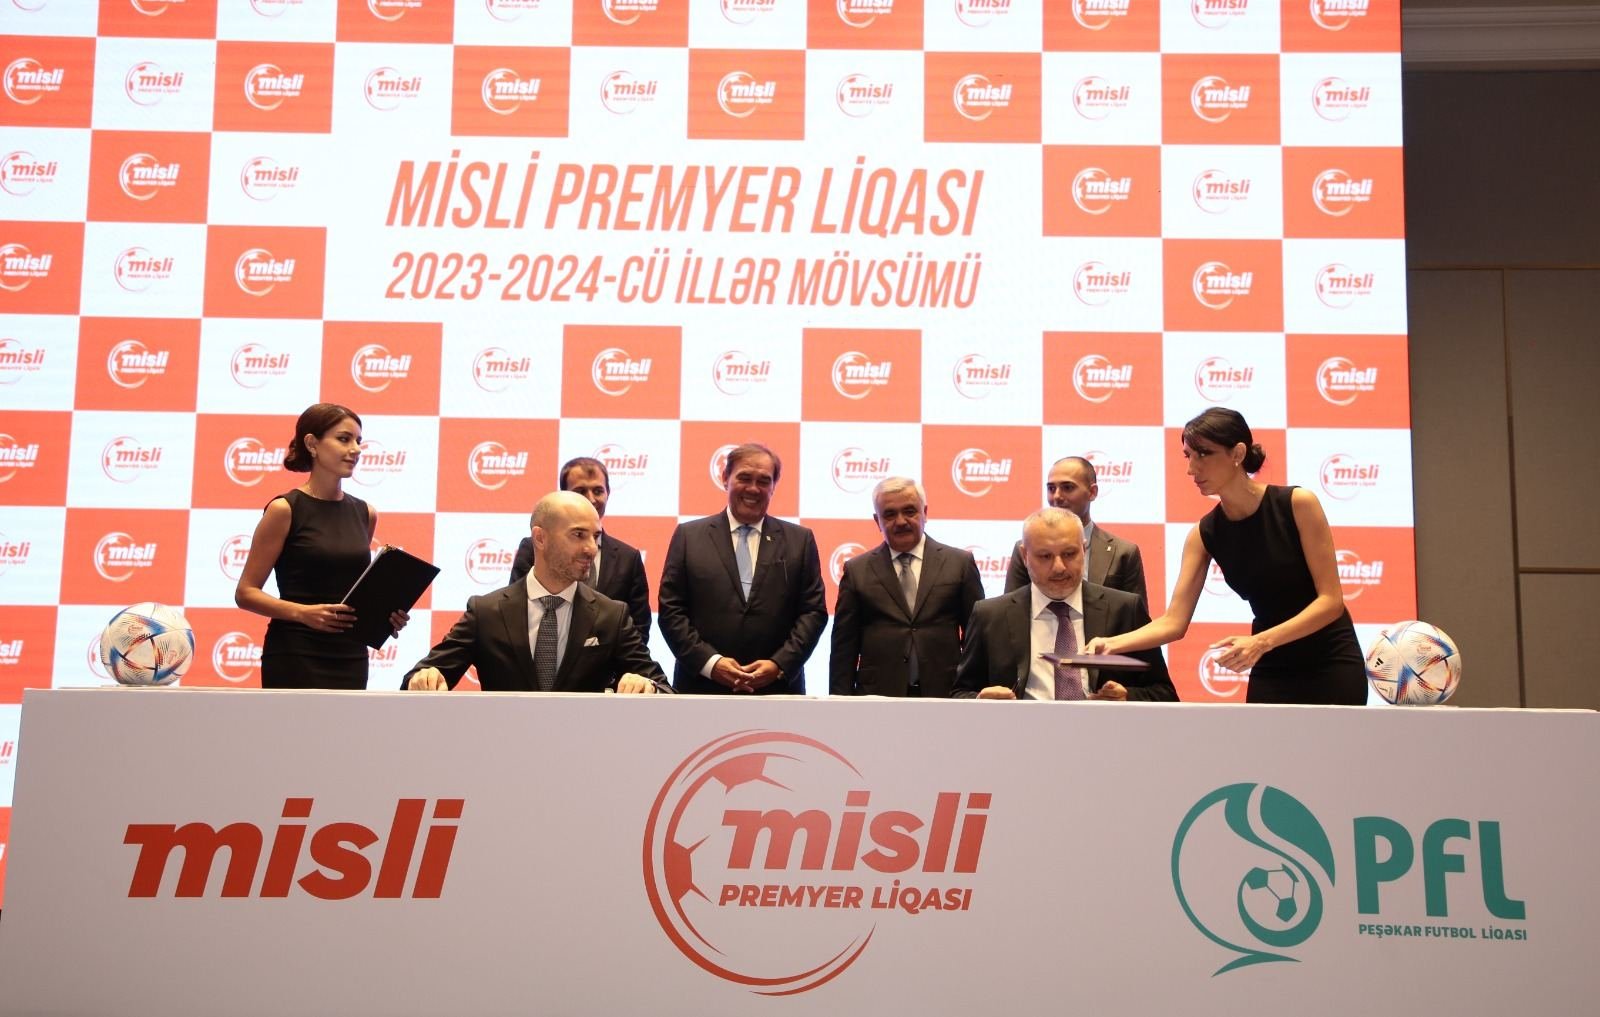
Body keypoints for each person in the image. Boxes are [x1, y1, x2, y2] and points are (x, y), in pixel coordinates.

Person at [1084, 408, 1366, 705]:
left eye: (1203, 454)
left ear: (1238, 453)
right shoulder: (1203, 534)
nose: (1191, 468)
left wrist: (1261, 642)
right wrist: (1110, 644)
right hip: (1270, 662)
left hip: (1329, 658)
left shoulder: (1297, 504)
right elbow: (1174, 622)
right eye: (1188, 456)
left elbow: (1331, 601)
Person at [403, 491, 665, 693]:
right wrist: (425, 677)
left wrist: (647, 686)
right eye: (578, 535)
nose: (591, 548)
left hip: (582, 746)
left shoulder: (611, 615)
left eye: (594, 537)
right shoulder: (486, 612)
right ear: (540, 538)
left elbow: (663, 687)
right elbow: (419, 678)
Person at [235, 403, 407, 690]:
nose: (356, 449)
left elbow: (352, 591)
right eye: (344, 439)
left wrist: (385, 617)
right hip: (295, 652)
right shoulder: (284, 509)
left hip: (351, 655)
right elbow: (245, 593)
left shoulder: (365, 513)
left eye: (358, 441)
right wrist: (303, 613)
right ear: (312, 444)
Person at [657, 442, 827, 694]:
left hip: (777, 690)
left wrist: (779, 664)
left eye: (764, 481)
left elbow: (813, 612)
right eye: (744, 478)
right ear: (725, 478)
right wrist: (711, 664)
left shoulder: (800, 540)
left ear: (774, 486)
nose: (753, 488)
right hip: (702, 688)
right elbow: (671, 610)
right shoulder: (688, 536)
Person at [954, 508, 1174, 701]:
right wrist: (981, 700)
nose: (1059, 567)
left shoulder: (1124, 609)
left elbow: (1164, 693)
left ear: (1084, 550)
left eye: (1069, 554)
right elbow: (960, 693)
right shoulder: (990, 615)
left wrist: (1126, 697)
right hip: (1021, 731)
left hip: (1103, 731)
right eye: (1045, 556)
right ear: (1024, 555)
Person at [830, 477, 984, 697]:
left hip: (947, 694)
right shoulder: (857, 570)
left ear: (925, 512)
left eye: (909, 511)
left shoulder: (959, 563)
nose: (901, 521)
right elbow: (843, 648)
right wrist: (839, 704)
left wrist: (976, 695)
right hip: (878, 697)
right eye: (889, 514)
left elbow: (976, 639)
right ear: (877, 520)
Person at [508, 456, 651, 638]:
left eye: (598, 491)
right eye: (580, 492)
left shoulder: (628, 558)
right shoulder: (534, 547)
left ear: (608, 493)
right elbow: (515, 609)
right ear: (564, 495)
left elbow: (638, 628)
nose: (591, 499)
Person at [1005, 456, 1147, 609]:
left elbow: (1136, 618)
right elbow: (1010, 610)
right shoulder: (1026, 549)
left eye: (1067, 488)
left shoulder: (1123, 552)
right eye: (1051, 489)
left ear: (1092, 492)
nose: (1057, 496)